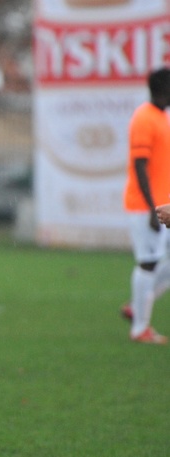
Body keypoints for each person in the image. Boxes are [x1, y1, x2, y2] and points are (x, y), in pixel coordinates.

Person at [121, 67, 170, 344]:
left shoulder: (162, 117)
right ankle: (140, 328)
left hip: (164, 205)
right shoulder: (144, 118)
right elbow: (140, 167)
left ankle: (136, 306)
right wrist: (152, 208)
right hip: (146, 207)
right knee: (148, 263)